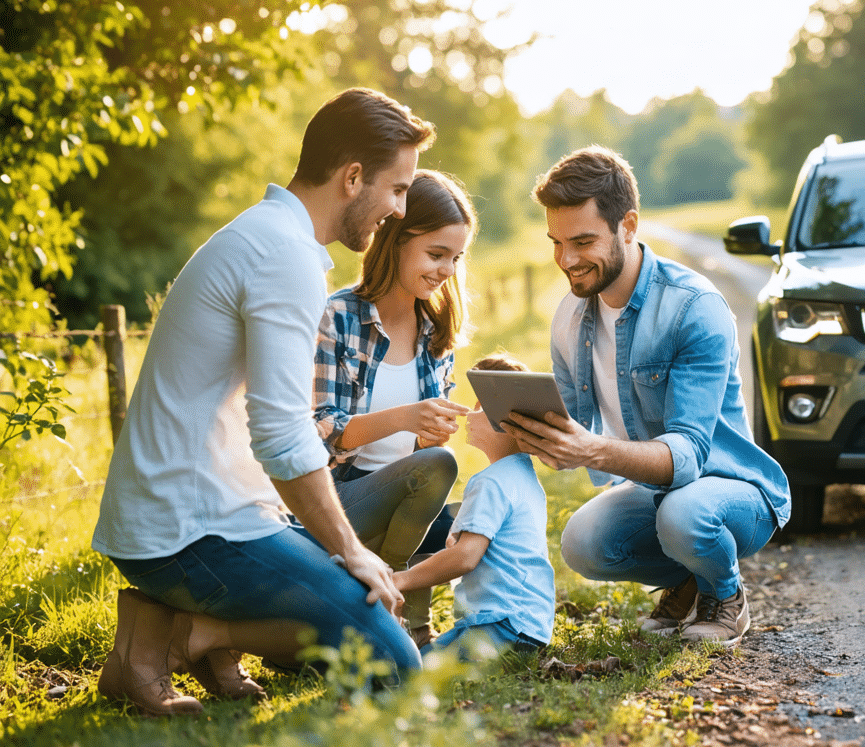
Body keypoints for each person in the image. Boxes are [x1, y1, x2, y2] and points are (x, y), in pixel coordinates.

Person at [91, 87, 434, 716]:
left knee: (342, 609)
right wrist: (349, 551)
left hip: (196, 514)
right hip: (186, 531)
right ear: (352, 177)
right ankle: (165, 638)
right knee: (392, 663)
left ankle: (178, 636)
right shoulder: (284, 254)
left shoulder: (268, 235)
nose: (398, 208)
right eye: (397, 188)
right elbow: (280, 433)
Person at [503, 146, 790, 649]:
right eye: (557, 242)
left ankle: (726, 595)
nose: (567, 260)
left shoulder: (693, 308)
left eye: (583, 241)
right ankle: (688, 579)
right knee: (584, 543)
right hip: (660, 493)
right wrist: (530, 426)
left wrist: (590, 449)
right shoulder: (569, 319)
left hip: (732, 489)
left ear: (628, 225)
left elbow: (687, 458)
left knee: (685, 514)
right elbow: (573, 424)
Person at [314, 169, 475, 649]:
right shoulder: (338, 318)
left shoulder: (435, 329)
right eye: (435, 254)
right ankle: (404, 613)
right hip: (339, 503)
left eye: (456, 257)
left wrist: (430, 431)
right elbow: (321, 429)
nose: (447, 270)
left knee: (484, 517)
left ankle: (402, 615)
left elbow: (422, 452)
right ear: (395, 241)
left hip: (404, 510)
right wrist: (408, 417)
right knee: (435, 468)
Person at [392, 352, 555, 660]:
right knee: (425, 657)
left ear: (506, 424)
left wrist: (398, 580)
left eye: (479, 407)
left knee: (408, 669)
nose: (469, 413)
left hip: (498, 629)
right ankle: (423, 638)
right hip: (529, 629)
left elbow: (465, 557)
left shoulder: (491, 482)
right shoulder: (524, 477)